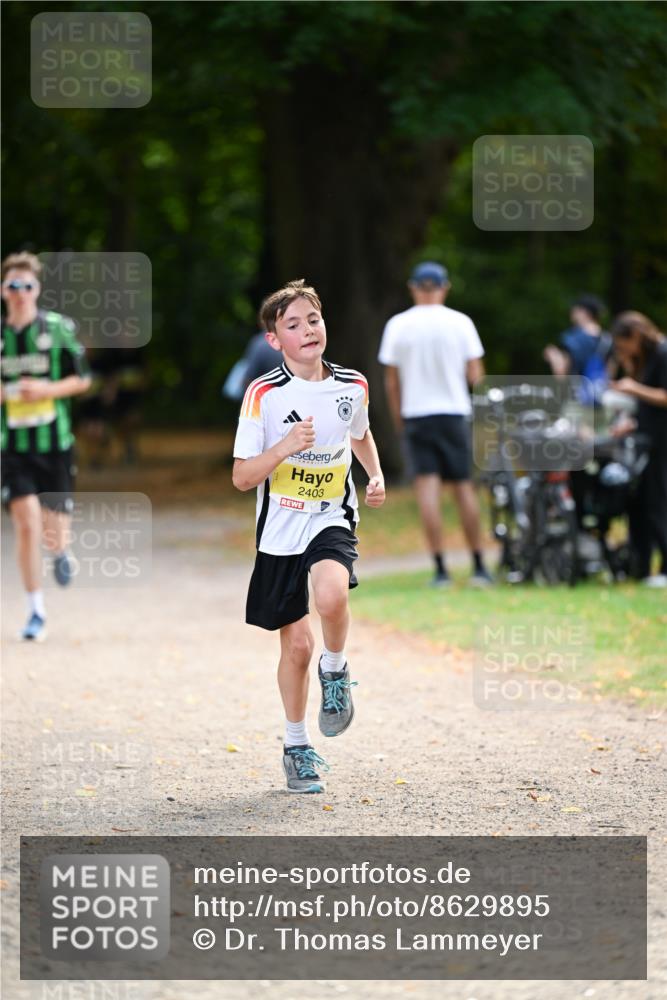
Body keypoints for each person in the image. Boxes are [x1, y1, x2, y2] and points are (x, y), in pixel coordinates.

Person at [232, 279, 385, 793]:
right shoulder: (263, 395)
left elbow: (359, 433)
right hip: (279, 532)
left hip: (330, 517)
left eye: (312, 320)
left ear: (324, 325)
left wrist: (375, 474)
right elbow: (242, 477)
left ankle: (336, 671)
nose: (306, 330)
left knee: (332, 594)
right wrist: (284, 446)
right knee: (295, 647)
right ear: (275, 340)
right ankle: (296, 745)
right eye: (292, 325)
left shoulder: (352, 385)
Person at [378, 261, 492, 587]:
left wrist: (400, 421)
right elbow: (476, 376)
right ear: (445, 287)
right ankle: (479, 565)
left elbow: (391, 382)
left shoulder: (398, 325)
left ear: (413, 287)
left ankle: (441, 569)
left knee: (427, 491)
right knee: (463, 488)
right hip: (455, 412)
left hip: (417, 414)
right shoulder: (461, 323)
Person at [1, 251, 91, 640]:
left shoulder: (57, 329)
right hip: (11, 447)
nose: (20, 292)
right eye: (12, 286)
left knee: (53, 532)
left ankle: (60, 553)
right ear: (4, 291)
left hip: (54, 444)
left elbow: (83, 379)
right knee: (26, 524)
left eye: (27, 286)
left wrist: (46, 389)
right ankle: (36, 610)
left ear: (37, 289)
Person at [609, 311, 667, 587]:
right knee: (640, 503)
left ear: (636, 335)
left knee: (659, 503)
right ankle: (640, 566)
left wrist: (633, 388)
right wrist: (631, 424)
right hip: (645, 440)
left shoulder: (664, 353)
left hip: (662, 443)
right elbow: (648, 409)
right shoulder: (644, 360)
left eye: (624, 345)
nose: (624, 351)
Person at [543, 294, 613, 405]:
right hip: (601, 401)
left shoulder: (572, 338)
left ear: (584, 312)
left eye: (575, 309)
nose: (571, 312)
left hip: (576, 400)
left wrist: (553, 357)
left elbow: (560, 374)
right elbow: (609, 375)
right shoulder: (609, 340)